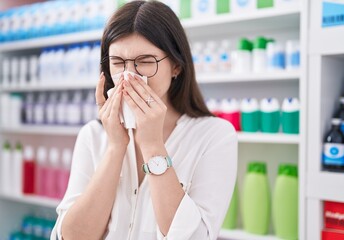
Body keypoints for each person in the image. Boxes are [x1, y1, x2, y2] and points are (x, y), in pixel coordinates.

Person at [51, 1, 237, 239]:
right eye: (118, 63)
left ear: (176, 66)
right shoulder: (92, 135)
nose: (129, 76)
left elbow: (196, 236)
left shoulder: (215, 135)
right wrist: (115, 147)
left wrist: (153, 146)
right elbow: (73, 236)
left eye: (145, 61)